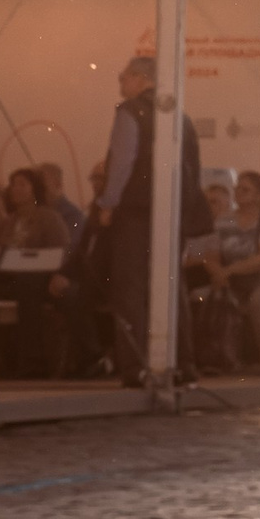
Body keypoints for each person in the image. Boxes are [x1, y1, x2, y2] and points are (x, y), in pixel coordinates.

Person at [92, 54, 208, 382]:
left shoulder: (129, 113)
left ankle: (135, 366)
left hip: (135, 215)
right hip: (171, 215)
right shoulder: (181, 117)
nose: (120, 83)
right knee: (173, 289)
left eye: (124, 76)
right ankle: (183, 364)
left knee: (130, 292)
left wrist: (107, 204)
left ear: (142, 77)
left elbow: (122, 162)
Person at [183, 172, 260, 371]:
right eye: (237, 189)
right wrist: (218, 273)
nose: (238, 193)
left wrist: (229, 271)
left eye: (245, 189)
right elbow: (211, 254)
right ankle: (215, 358)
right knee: (199, 297)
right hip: (233, 282)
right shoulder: (223, 222)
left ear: (259, 196)